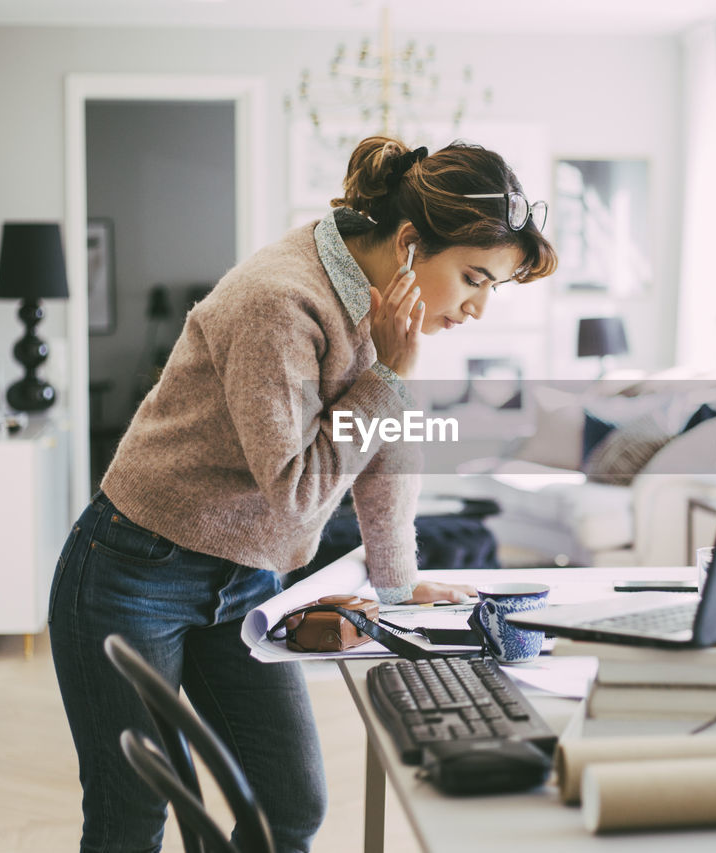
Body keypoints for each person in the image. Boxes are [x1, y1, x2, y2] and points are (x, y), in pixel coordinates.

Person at [48, 135, 558, 853]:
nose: (478, 307)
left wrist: (399, 583)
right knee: (134, 813)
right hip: (134, 570)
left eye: (490, 288)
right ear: (410, 243)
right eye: (474, 278)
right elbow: (295, 492)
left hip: (245, 575)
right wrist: (388, 380)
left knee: (291, 803)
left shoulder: (384, 304)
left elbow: (385, 447)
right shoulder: (278, 303)